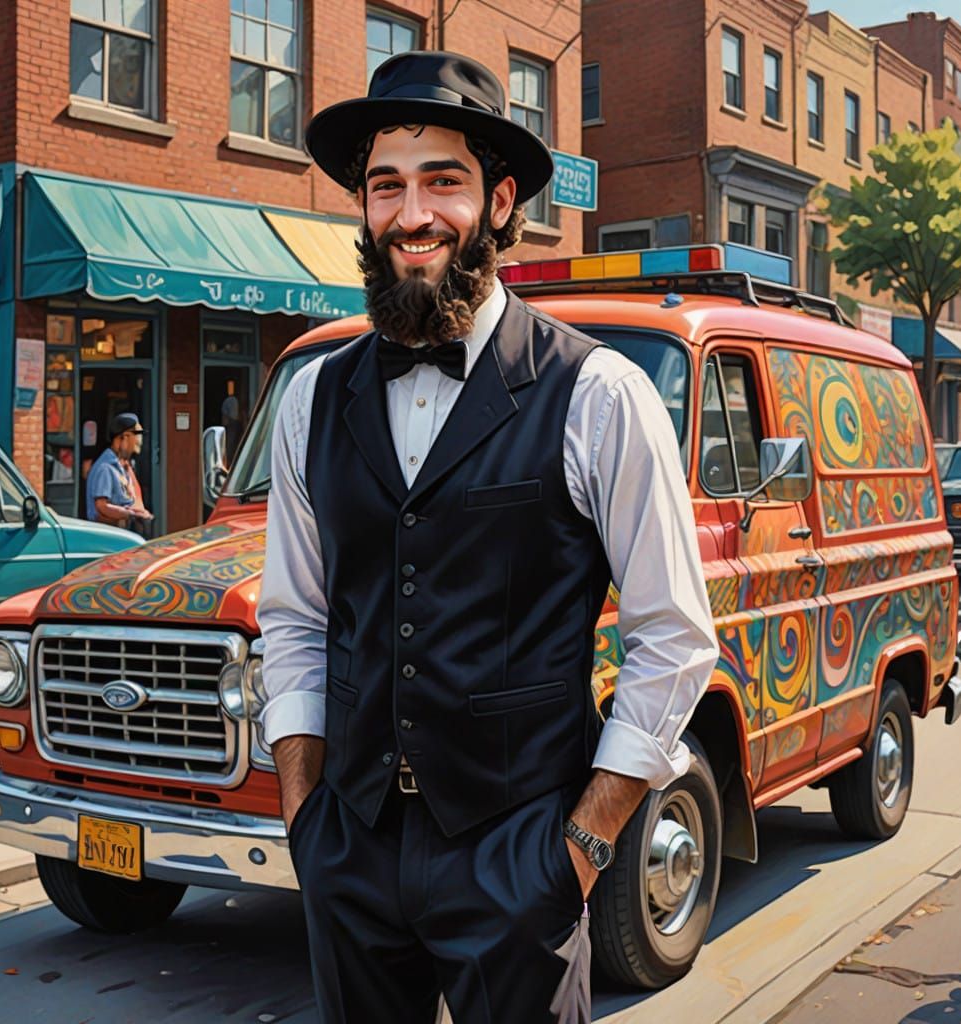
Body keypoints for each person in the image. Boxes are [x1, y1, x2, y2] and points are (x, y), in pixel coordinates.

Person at [257, 51, 719, 1024]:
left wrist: (580, 848)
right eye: (387, 185)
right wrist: (306, 818)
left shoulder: (598, 394)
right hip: (351, 851)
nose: (412, 214)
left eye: (443, 182)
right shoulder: (311, 398)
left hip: (520, 856)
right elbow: (295, 619)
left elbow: (673, 638)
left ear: (500, 201)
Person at [85, 412, 153, 534]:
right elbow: (101, 506)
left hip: (123, 532)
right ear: (125, 437)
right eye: (137, 434)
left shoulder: (124, 467)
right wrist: (131, 515)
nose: (140, 440)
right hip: (109, 535)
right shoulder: (106, 468)